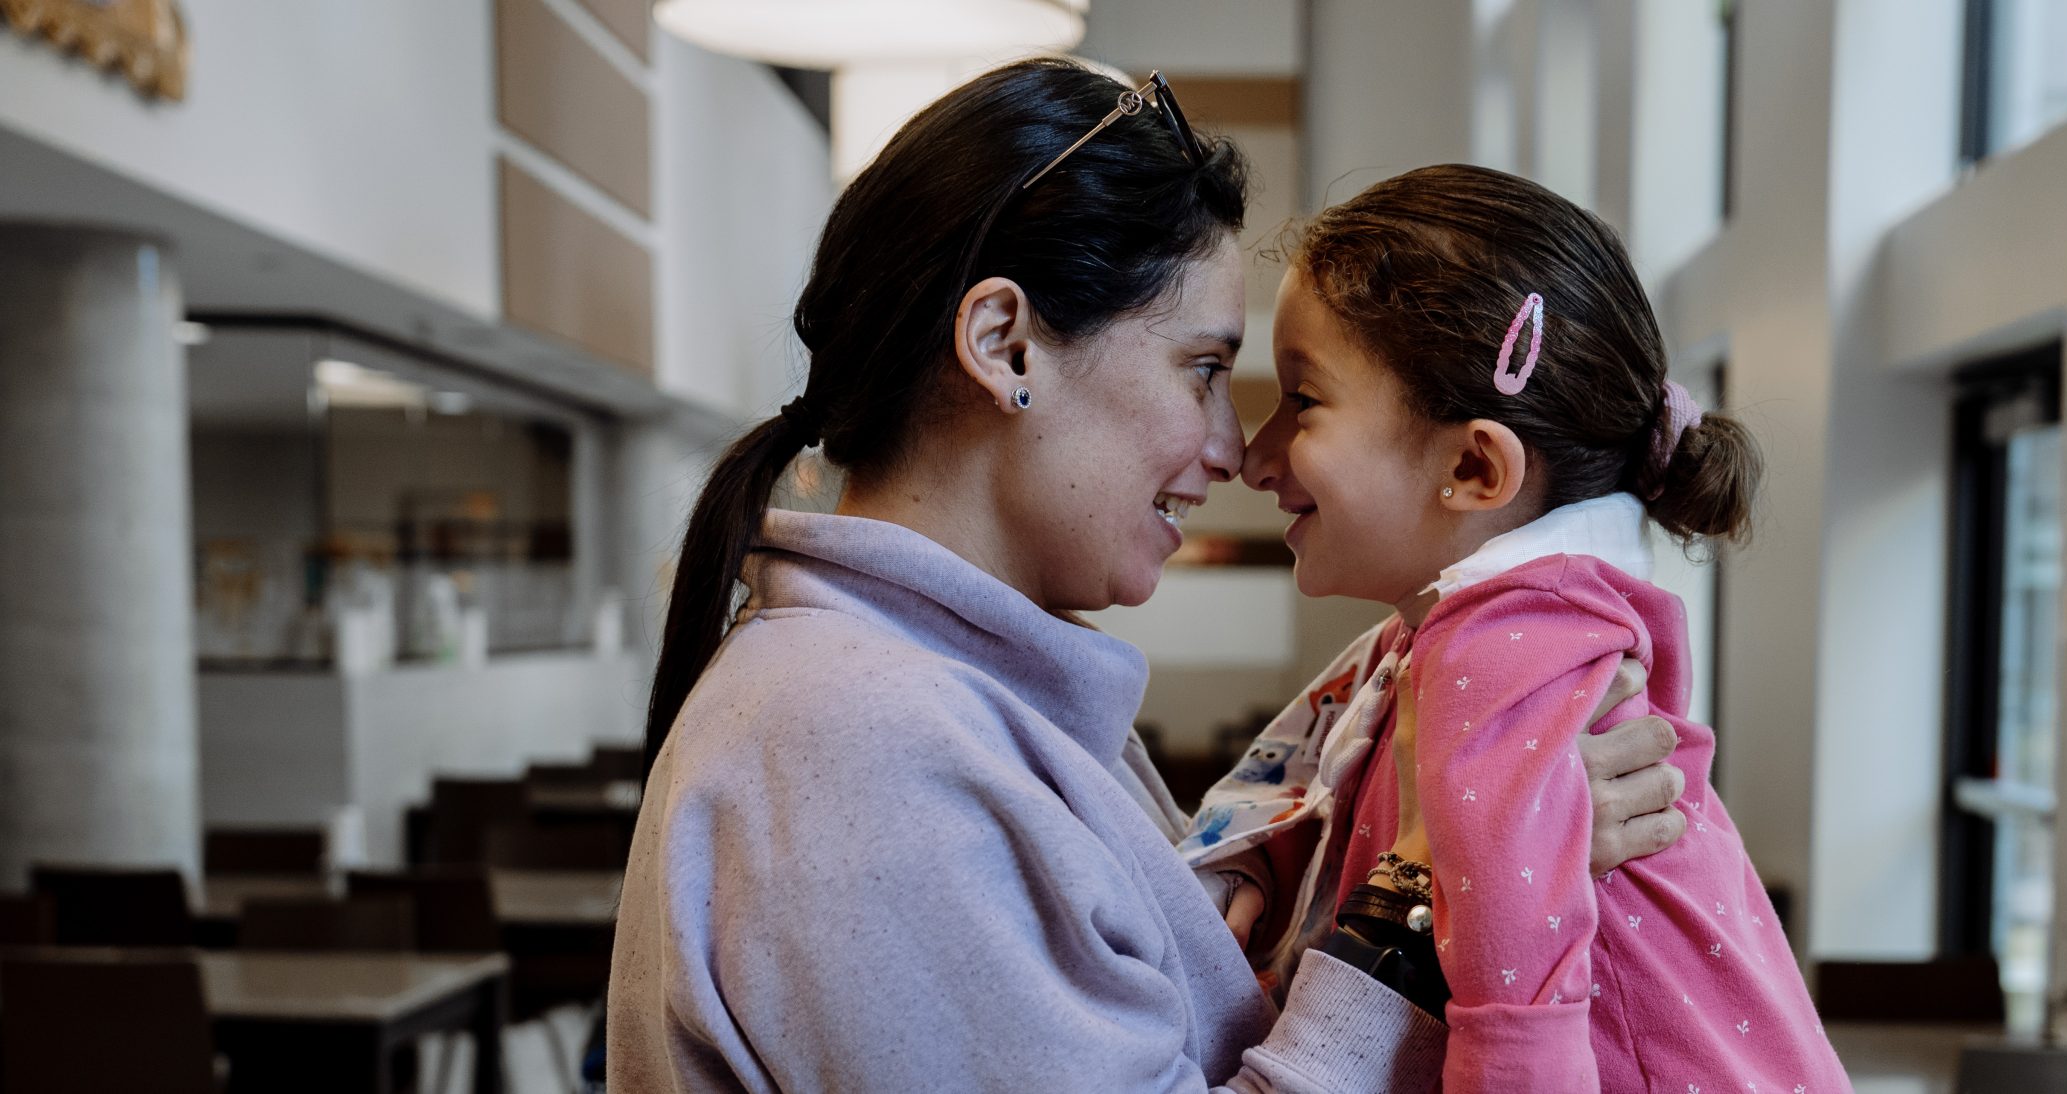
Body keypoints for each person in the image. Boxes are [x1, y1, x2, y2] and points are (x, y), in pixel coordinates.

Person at [608, 61, 1690, 1092]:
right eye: (1205, 370)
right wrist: (1432, 891)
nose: (1233, 450)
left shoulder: (929, 698)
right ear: (1005, 343)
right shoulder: (852, 741)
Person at [1182, 164, 1850, 1093]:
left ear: (1474, 466)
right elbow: (1343, 782)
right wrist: (1266, 859)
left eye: (1303, 402)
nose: (1253, 457)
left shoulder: (1503, 648)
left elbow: (1518, 1006)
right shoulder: (1453, 638)